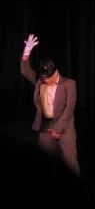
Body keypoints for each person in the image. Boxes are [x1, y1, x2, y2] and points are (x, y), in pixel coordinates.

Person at [20, 34, 80, 175]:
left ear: (56, 72)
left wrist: (58, 128)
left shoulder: (68, 84)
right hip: (46, 124)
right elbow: (25, 70)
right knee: (44, 161)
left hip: (64, 126)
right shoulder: (41, 82)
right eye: (44, 78)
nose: (46, 80)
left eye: (49, 77)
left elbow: (69, 108)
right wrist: (26, 52)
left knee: (70, 162)